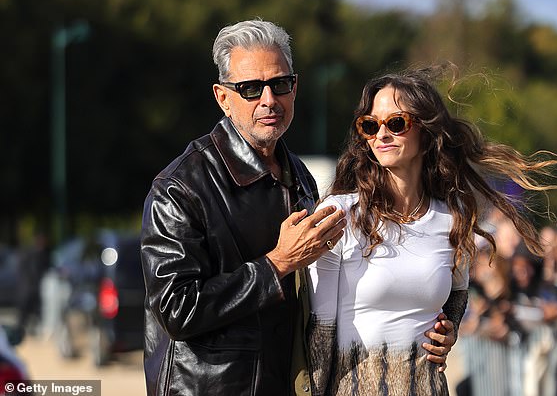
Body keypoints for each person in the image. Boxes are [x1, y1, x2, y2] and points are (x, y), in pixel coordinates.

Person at [140, 20, 455, 396]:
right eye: (251, 89)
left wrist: (431, 328)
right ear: (222, 97)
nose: (269, 99)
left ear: (295, 88)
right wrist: (277, 264)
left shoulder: (299, 176)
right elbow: (177, 310)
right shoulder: (181, 187)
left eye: (280, 84)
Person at [306, 66, 557, 395]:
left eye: (396, 123)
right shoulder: (340, 214)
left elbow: (458, 293)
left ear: (426, 132)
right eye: (370, 126)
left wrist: (450, 329)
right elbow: (320, 330)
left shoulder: (452, 218)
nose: (382, 135)